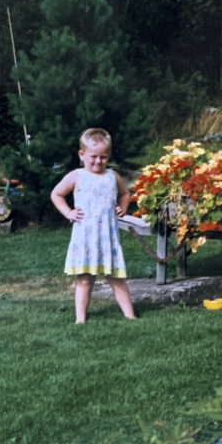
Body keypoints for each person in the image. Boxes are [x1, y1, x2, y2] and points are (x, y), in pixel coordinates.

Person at [51, 128, 137, 323]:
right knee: (84, 280)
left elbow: (125, 193)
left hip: (108, 237)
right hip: (86, 238)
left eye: (104, 157)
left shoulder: (112, 176)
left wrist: (122, 208)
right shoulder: (76, 175)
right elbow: (56, 194)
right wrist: (69, 213)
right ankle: (80, 319)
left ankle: (130, 316)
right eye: (94, 157)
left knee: (117, 279)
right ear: (82, 155)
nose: (98, 161)